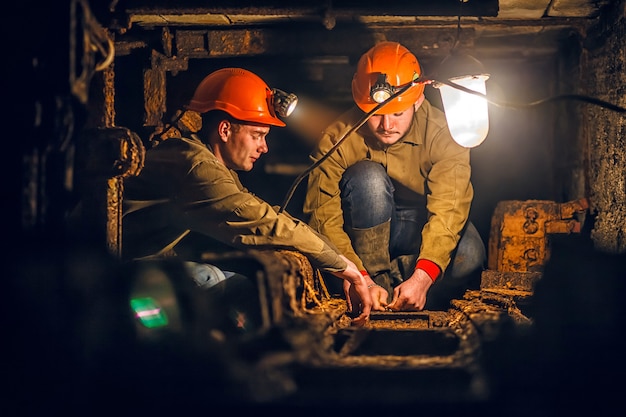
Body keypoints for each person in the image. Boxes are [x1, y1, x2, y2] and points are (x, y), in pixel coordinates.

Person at [121, 67, 372, 328]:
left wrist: (342, 262)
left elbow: (268, 213)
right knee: (229, 288)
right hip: (117, 270)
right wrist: (344, 268)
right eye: (257, 135)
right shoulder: (197, 168)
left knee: (233, 287)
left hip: (147, 263)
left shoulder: (208, 162)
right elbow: (263, 222)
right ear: (225, 130)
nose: (264, 147)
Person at [303, 42, 486, 312]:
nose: (387, 126)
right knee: (369, 178)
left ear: (419, 100)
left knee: (470, 255)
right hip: (363, 229)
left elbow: (449, 208)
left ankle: (408, 291)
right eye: (375, 114)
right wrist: (358, 277)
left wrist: (423, 276)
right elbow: (322, 215)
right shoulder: (337, 136)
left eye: (398, 113)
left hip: (419, 224)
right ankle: (375, 286)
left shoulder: (444, 133)